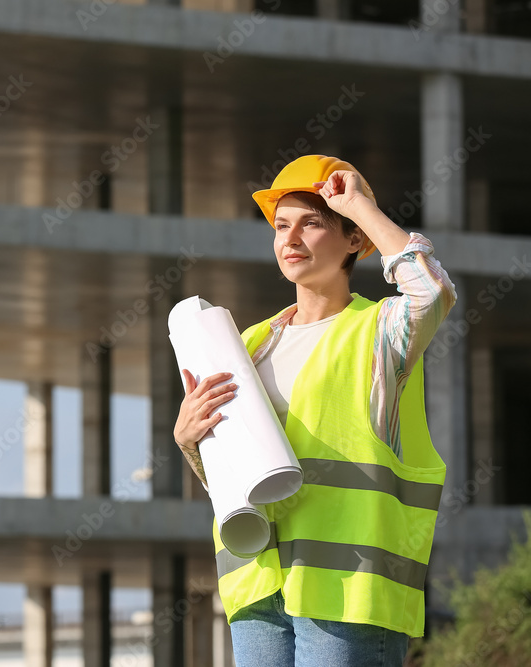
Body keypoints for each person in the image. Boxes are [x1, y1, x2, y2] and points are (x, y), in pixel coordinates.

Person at [172, 155, 458, 666]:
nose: (290, 238)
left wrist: (358, 207)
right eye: (281, 225)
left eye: (312, 223)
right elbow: (236, 476)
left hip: (348, 588)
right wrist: (191, 441)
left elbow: (430, 291)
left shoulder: (378, 333)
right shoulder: (247, 345)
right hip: (258, 583)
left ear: (353, 240)